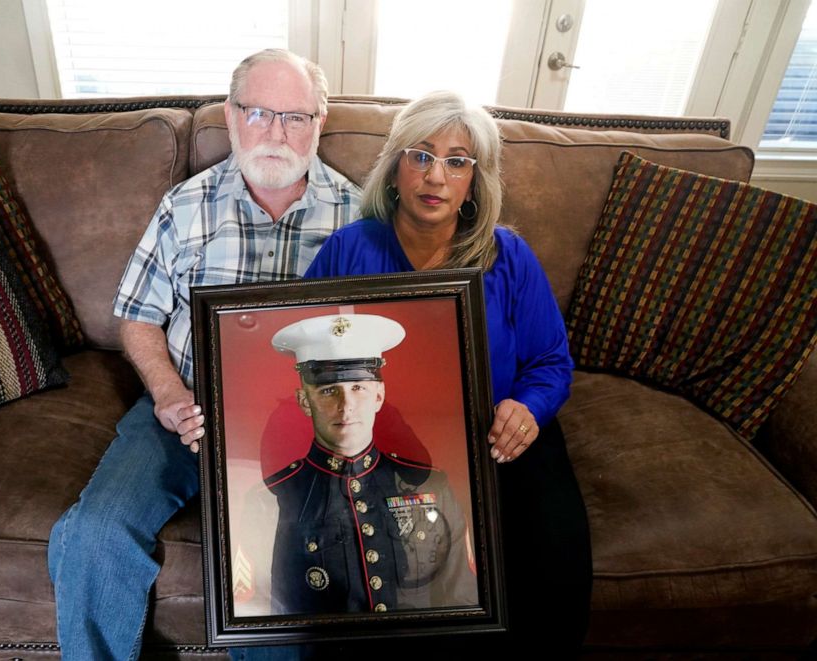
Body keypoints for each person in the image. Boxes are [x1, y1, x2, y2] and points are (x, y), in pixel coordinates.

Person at [46, 48, 361, 661]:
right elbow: (137, 317)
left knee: (270, 575)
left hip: (294, 429)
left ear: (319, 122)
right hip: (183, 409)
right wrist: (167, 395)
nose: (276, 133)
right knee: (91, 534)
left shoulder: (356, 215)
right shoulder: (186, 206)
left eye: (296, 117)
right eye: (260, 113)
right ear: (230, 113)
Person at [302, 91, 593, 654]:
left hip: (497, 435)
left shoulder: (508, 255)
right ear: (394, 171)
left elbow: (551, 363)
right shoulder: (348, 249)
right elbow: (305, 343)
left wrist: (528, 409)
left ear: (473, 182)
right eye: (421, 156)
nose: (437, 176)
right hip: (385, 442)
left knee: (554, 555)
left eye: (457, 161)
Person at [233, 313, 477, 617]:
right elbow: (261, 621)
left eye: (358, 388)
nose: (346, 405)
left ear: (379, 395)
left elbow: (462, 603)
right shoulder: (270, 501)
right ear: (304, 401)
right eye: (327, 390)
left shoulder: (431, 486)